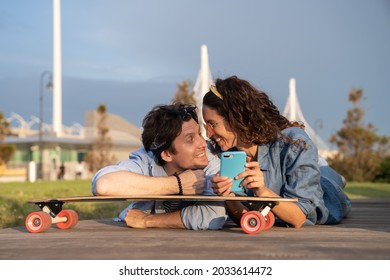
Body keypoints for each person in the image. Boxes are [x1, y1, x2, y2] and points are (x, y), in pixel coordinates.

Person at [202, 76, 351, 228]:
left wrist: (262, 191)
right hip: (291, 186)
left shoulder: (293, 143)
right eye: (206, 125)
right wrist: (228, 197)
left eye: (212, 124)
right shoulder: (222, 155)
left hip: (327, 193)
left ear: (234, 118)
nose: (208, 133)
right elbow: (245, 217)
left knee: (329, 178)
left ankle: (330, 172)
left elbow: (298, 218)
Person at [92, 103, 227, 230]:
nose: (203, 143)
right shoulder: (146, 159)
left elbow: (214, 216)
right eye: (190, 139)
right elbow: (103, 185)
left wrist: (148, 220)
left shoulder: (207, 158)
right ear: (167, 154)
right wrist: (177, 184)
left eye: (199, 134)